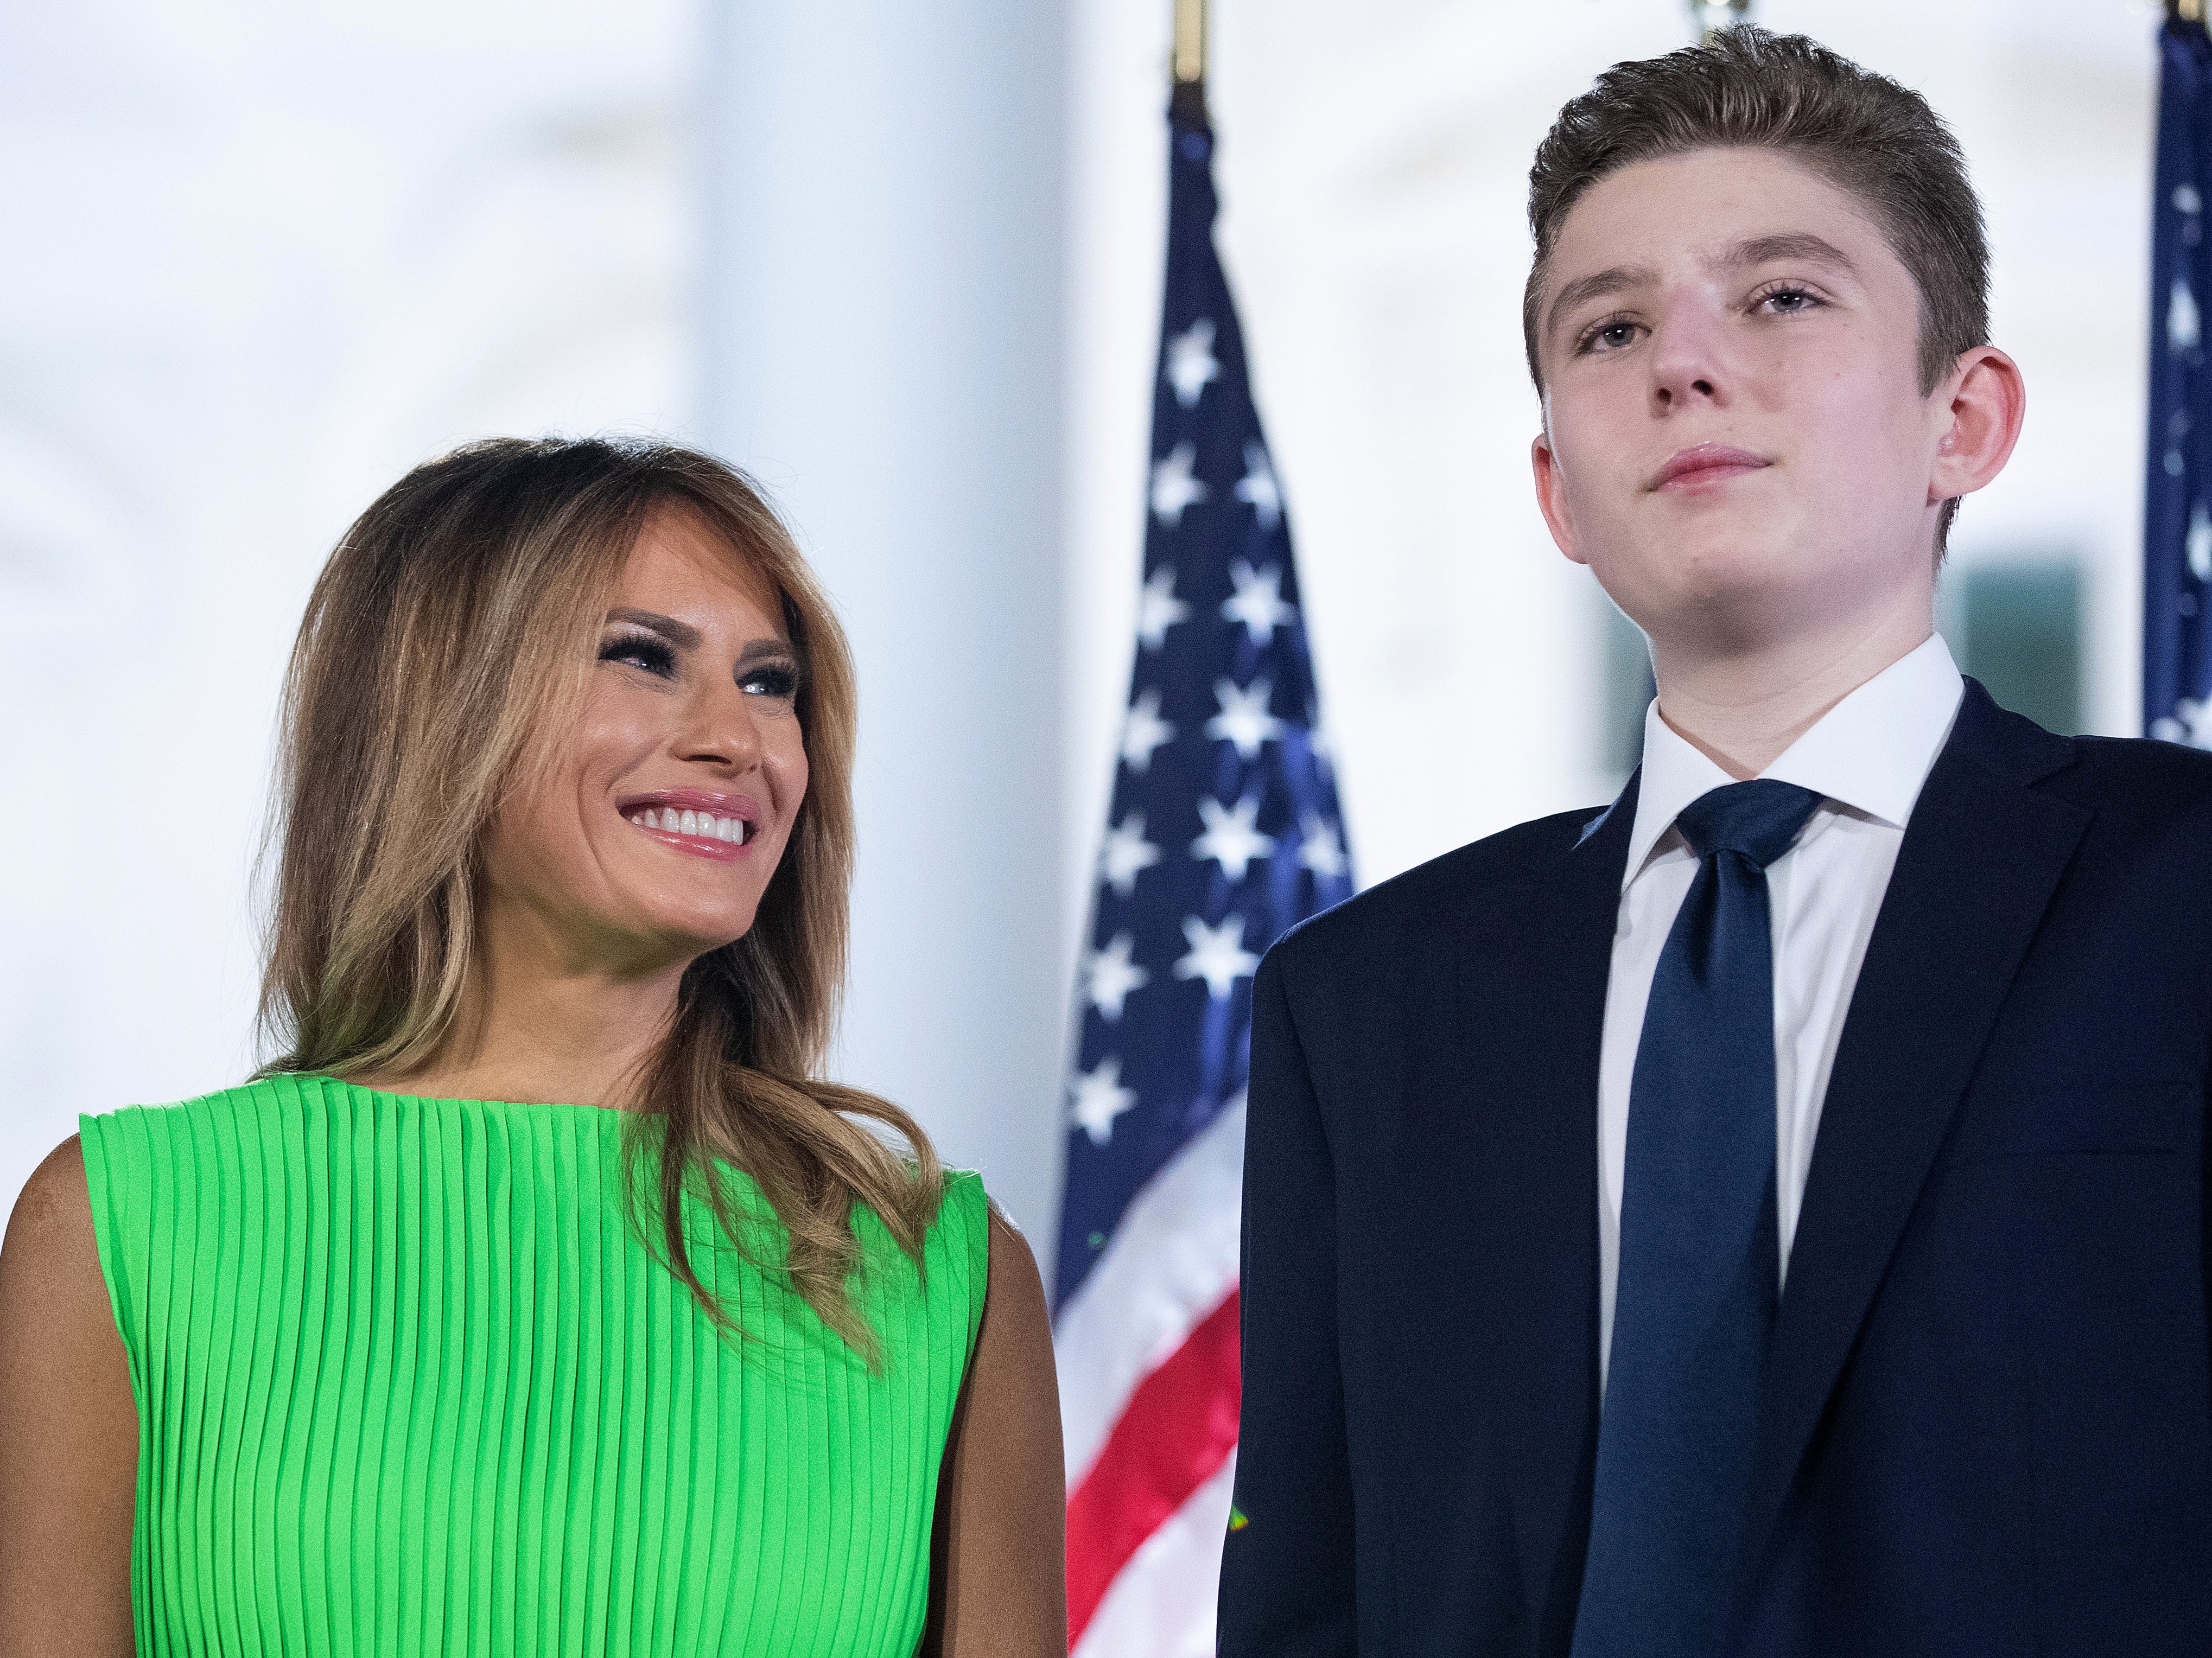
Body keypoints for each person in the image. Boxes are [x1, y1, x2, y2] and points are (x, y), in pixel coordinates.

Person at [1221, 27, 2211, 1658]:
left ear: (1962, 418)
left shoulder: (2176, 895)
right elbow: (1310, 1601)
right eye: (1608, 328)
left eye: (1781, 297)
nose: (1682, 363)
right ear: (1557, 490)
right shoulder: (1361, 1005)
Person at [0, 437, 1066, 1656]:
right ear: (438, 706)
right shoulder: (121, 1230)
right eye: (644, 657)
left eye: (772, 683)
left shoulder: (940, 1274)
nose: (740, 739)